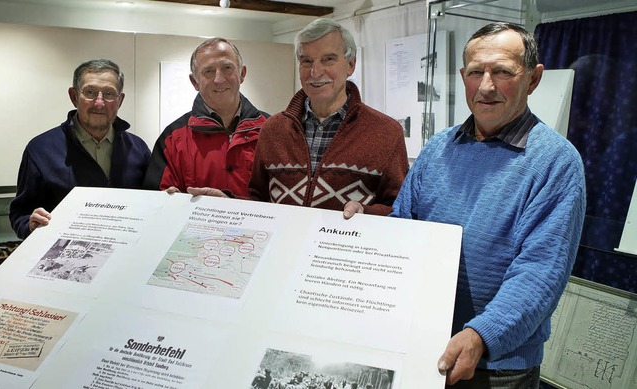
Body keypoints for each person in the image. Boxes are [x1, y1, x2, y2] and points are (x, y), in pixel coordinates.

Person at [386, 23, 585, 387]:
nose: (487, 86)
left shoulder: (557, 162)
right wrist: (362, 228)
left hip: (497, 367)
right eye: (476, 72)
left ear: (533, 79)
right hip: (420, 350)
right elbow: (403, 231)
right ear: (463, 77)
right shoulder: (437, 149)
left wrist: (481, 335)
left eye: (503, 72)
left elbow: (541, 272)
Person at [248, 18, 408, 216]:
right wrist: (225, 203)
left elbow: (400, 208)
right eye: (306, 61)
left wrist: (365, 212)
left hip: (348, 245)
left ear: (350, 65)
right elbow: (257, 199)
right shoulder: (273, 130)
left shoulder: (385, 132)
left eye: (328, 59)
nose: (315, 72)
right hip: (285, 246)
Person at [9, 59, 150, 240]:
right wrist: (29, 223)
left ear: (120, 100)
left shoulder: (138, 149)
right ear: (74, 96)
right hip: (65, 261)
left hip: (125, 257)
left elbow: (152, 204)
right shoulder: (40, 150)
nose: (99, 103)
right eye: (90, 92)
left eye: (109, 94)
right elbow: (19, 213)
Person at [143, 37, 269, 198]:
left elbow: (283, 199)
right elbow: (155, 201)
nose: (219, 79)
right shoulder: (173, 138)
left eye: (227, 68)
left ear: (242, 74)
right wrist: (168, 203)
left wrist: (231, 205)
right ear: (194, 81)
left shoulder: (271, 131)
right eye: (208, 71)